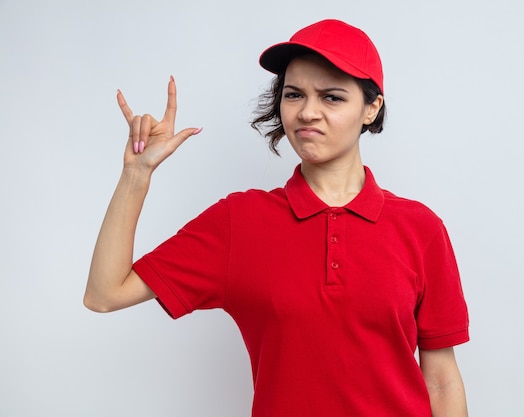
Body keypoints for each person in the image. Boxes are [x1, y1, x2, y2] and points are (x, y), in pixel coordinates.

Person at [84, 19, 469, 417]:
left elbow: (440, 380)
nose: (307, 112)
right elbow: (105, 294)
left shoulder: (421, 229)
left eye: (332, 97)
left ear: (371, 108)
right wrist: (136, 175)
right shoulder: (240, 222)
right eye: (293, 94)